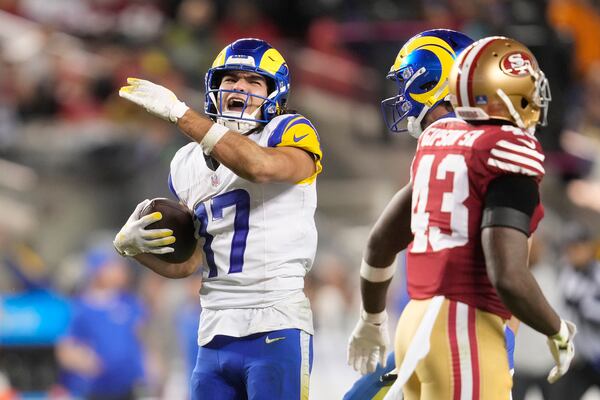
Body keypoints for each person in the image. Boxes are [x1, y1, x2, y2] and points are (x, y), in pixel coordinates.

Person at [350, 35, 577, 400]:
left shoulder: (436, 141)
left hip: (416, 323)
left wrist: (371, 319)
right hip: (466, 329)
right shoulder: (505, 148)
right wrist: (556, 331)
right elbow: (507, 272)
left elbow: (380, 242)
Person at [113, 38, 322, 400]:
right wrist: (130, 248)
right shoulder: (184, 163)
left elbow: (259, 166)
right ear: (215, 88)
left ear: (275, 95)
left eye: (254, 81)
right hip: (213, 332)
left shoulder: (288, 132)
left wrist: (181, 114)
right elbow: (189, 263)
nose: (240, 87)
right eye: (231, 79)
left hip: (275, 323)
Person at [345, 28, 475, 399]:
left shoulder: (445, 139)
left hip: (451, 327)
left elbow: (381, 240)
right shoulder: (481, 140)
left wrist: (372, 318)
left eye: (407, 83)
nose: (401, 95)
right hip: (458, 327)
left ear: (435, 79)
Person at [56, 248, 147, 400]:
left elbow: (142, 337)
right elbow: (66, 348)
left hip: (129, 386)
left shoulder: (130, 303)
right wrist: (85, 361)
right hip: (96, 389)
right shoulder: (81, 307)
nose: (120, 271)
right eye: (113, 266)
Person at [549, 222, 600, 400]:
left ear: (589, 247)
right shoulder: (566, 273)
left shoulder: (597, 274)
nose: (573, 252)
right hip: (580, 360)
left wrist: (587, 307)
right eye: (570, 247)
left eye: (577, 247)